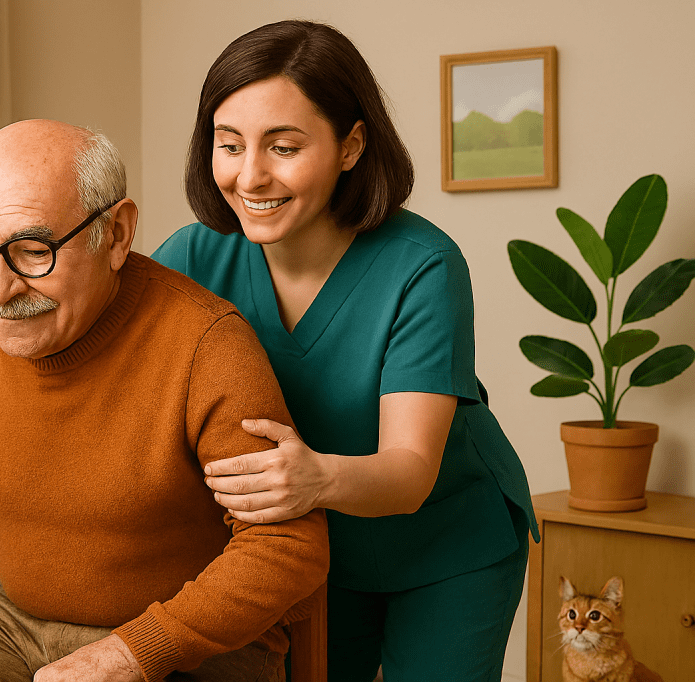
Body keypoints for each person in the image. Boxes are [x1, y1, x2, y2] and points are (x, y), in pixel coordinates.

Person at [0, 119, 329, 682]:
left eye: (32, 250)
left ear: (116, 235)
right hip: (10, 622)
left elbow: (287, 543)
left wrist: (135, 652)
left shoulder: (206, 344)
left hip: (184, 644)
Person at [153, 20, 539, 682]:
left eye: (283, 147)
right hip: (309, 550)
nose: (250, 176)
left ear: (351, 145)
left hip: (448, 545)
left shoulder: (423, 266)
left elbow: (411, 468)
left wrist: (316, 479)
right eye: (229, 145)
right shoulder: (190, 259)